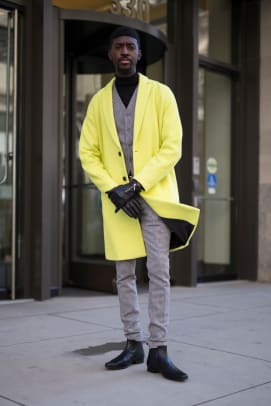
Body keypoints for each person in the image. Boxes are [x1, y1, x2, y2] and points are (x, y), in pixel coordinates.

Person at [79, 26, 200, 382]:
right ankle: (134, 344)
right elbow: (88, 152)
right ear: (110, 54)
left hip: (155, 198)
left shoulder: (162, 95)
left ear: (139, 54)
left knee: (159, 272)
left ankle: (158, 350)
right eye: (118, 47)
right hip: (119, 201)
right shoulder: (98, 101)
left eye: (130, 46)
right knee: (124, 274)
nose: (124, 52)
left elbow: (171, 147)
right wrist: (114, 189)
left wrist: (136, 184)